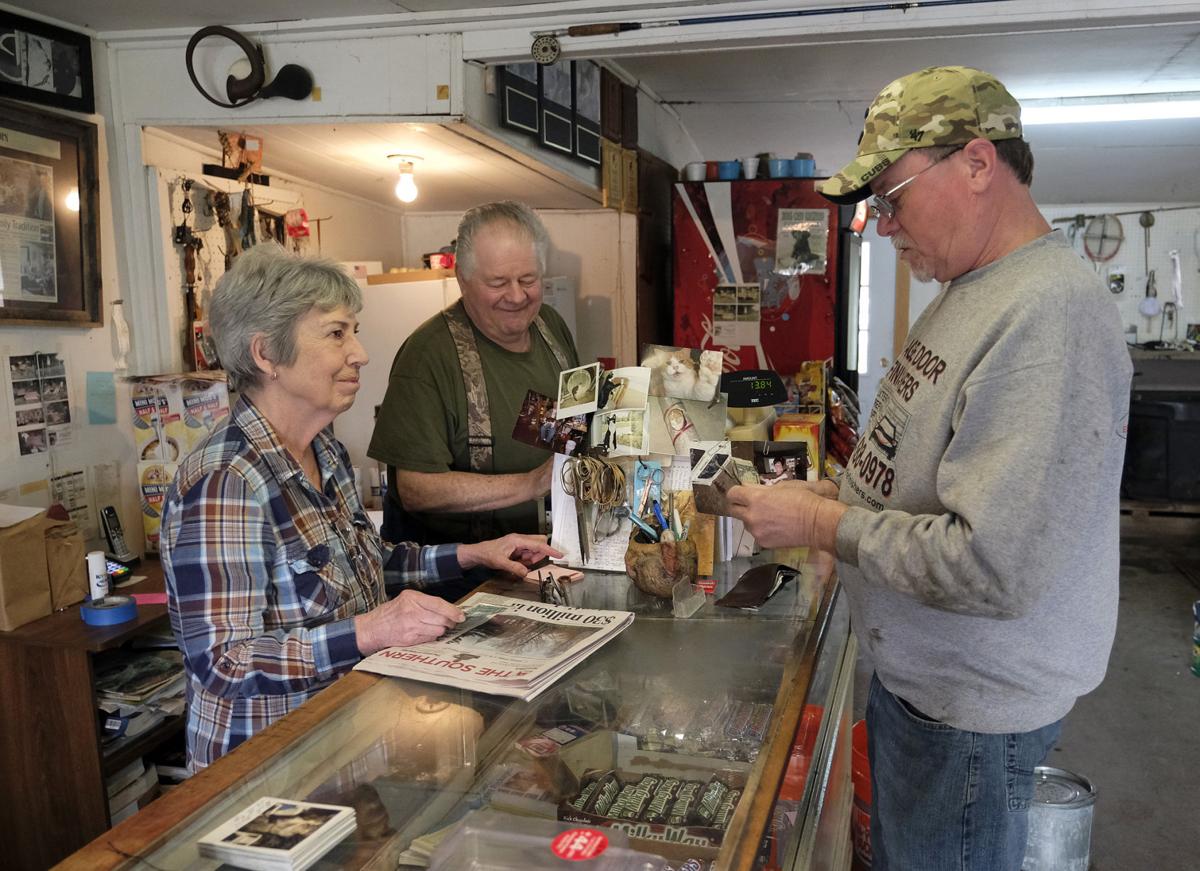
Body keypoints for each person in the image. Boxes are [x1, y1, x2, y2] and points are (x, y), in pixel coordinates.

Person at [728, 66, 1131, 871]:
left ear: (978, 164)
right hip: (932, 697)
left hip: (971, 722)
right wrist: (835, 493)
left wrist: (821, 523)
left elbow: (990, 565)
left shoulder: (1047, 312)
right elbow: (923, 466)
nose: (882, 225)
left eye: (891, 198)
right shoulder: (975, 286)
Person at [161, 245, 560, 770]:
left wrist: (474, 554)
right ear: (266, 355)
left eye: (354, 331)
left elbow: (365, 561)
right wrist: (369, 631)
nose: (360, 353)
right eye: (335, 333)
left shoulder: (324, 449)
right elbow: (221, 663)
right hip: (267, 768)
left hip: (349, 734)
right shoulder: (226, 483)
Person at [369, 201, 579, 545]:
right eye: (498, 282)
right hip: (461, 582)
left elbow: (556, 426)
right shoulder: (427, 357)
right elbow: (415, 489)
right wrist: (532, 483)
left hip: (549, 557)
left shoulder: (551, 329)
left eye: (528, 279)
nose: (516, 295)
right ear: (462, 279)